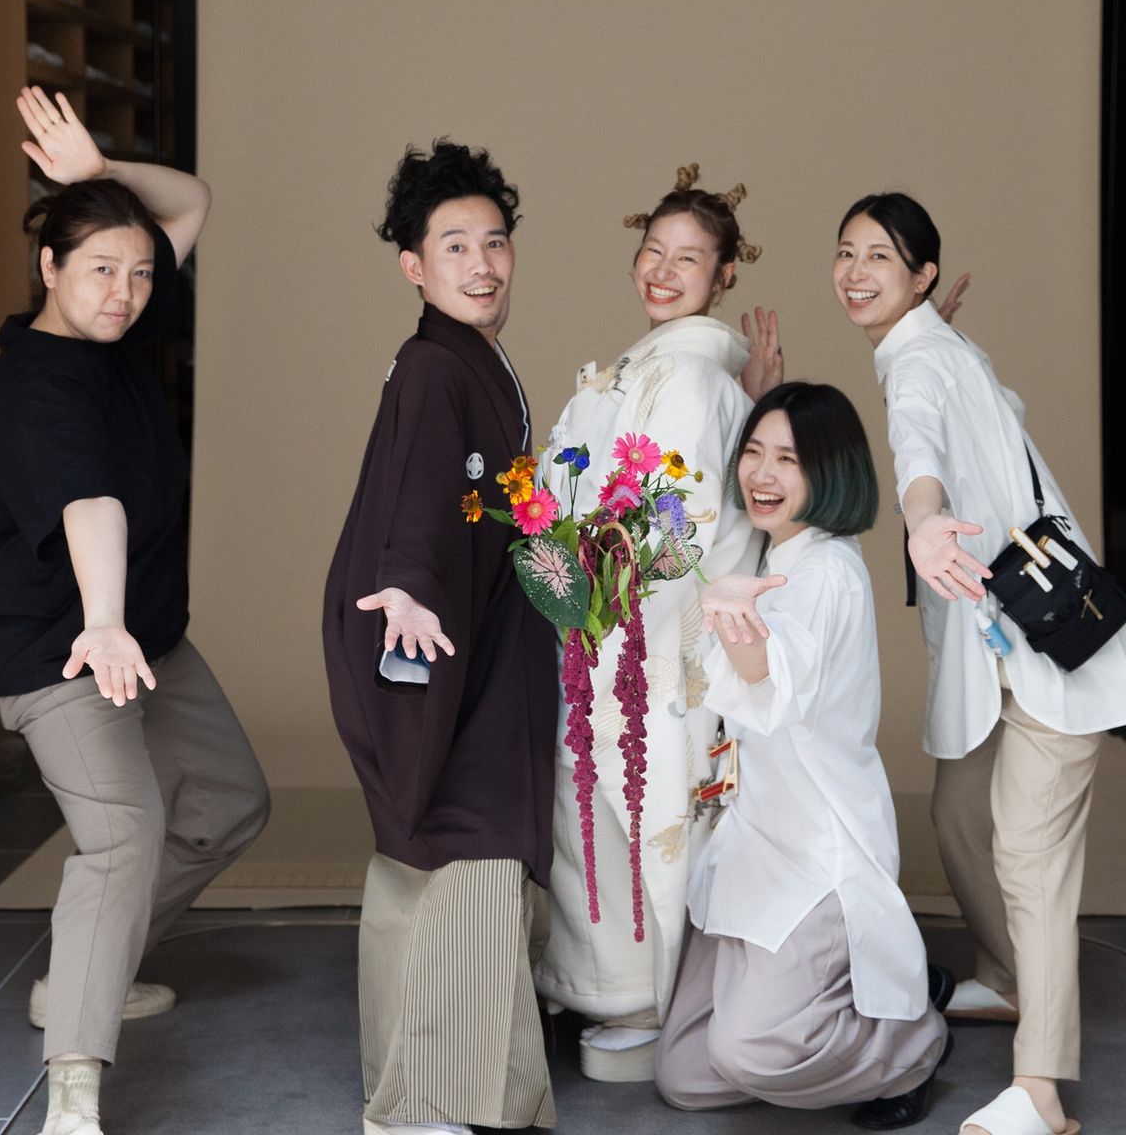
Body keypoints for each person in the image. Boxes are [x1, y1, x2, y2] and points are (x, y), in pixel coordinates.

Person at [0, 87, 270, 1135]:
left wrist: (99, 172)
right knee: (121, 836)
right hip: (63, 653)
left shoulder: (116, 331)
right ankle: (73, 1088)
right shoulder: (41, 387)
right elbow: (88, 503)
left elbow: (189, 201)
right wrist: (101, 622)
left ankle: (85, 971)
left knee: (228, 802)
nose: (127, 292)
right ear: (48, 267)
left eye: (141, 273)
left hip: (144, 636)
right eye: (102, 269)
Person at [834, 192, 1126, 1135]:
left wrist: (921, 518)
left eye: (881, 257)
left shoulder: (922, 362)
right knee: (960, 814)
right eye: (847, 252)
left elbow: (917, 450)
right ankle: (1005, 975)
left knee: (1030, 856)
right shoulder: (935, 349)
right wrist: (935, 334)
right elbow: (995, 417)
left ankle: (1041, 1091)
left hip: (1049, 660)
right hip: (997, 658)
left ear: (921, 276)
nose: (856, 272)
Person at [322, 140, 557, 1135]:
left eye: (494, 241)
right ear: (412, 265)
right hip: (423, 631)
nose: (480, 263)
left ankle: (449, 1093)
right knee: (462, 841)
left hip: (474, 637)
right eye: (453, 244)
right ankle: (418, 1104)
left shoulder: (475, 360)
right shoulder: (431, 367)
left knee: (439, 854)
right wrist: (410, 589)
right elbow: (417, 496)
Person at [533, 164, 782, 1081]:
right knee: (607, 803)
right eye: (653, 251)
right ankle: (613, 986)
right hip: (605, 624)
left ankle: (645, 997)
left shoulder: (689, 376)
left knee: (645, 802)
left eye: (689, 259)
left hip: (650, 637)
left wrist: (596, 598)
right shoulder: (647, 369)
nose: (664, 272)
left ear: (723, 275)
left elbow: (685, 525)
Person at [653, 382, 952, 1130]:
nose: (763, 473)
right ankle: (858, 1002)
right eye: (754, 452)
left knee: (749, 1052)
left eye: (789, 459)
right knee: (686, 1076)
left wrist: (732, 618)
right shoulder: (775, 549)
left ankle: (910, 1043)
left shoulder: (825, 572)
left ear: (830, 471)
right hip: (753, 849)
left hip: (815, 857)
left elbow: (770, 679)